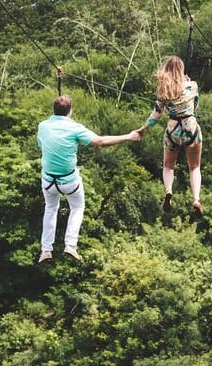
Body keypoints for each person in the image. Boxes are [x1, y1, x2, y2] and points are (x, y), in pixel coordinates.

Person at [36, 94, 140, 263]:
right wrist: (129, 136)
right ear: (70, 111)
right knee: (77, 207)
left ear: (54, 110)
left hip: (49, 181)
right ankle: (70, 245)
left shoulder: (43, 126)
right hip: (69, 181)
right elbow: (101, 141)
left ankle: (46, 250)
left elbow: (43, 145)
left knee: (51, 208)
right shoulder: (75, 128)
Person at [137, 55, 204, 217]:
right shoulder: (192, 85)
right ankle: (196, 199)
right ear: (181, 70)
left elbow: (155, 116)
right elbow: (195, 106)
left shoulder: (163, 91)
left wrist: (143, 128)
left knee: (168, 166)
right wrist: (186, 83)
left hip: (173, 130)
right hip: (191, 128)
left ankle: (168, 190)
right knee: (194, 167)